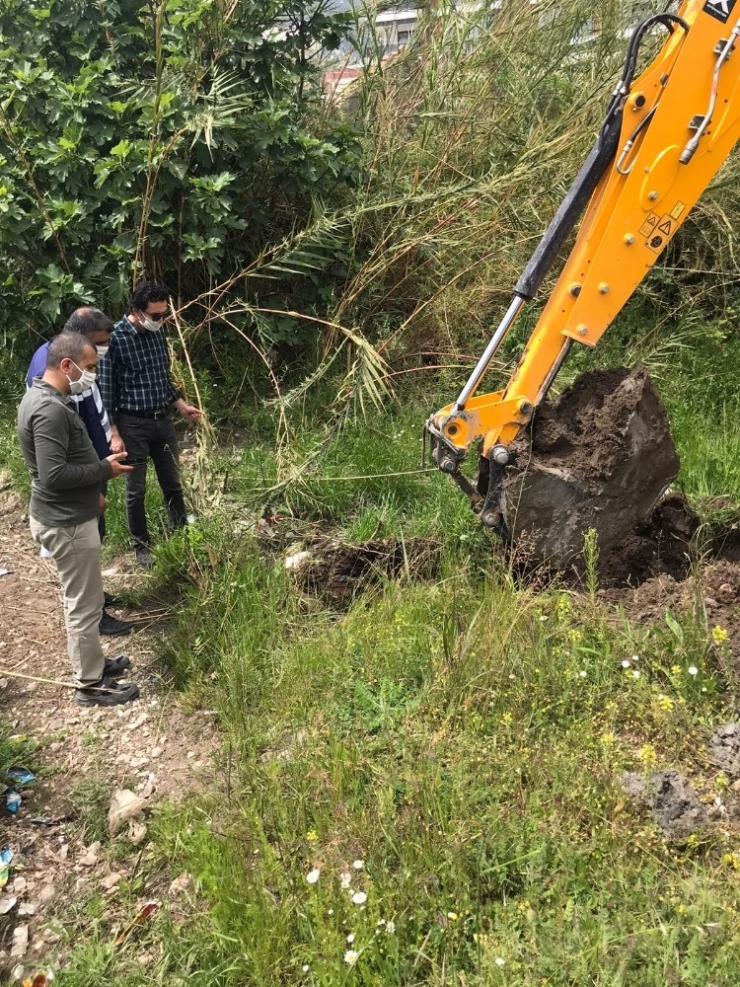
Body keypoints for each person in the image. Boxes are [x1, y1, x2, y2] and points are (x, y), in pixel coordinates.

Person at [17, 332, 140, 707]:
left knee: (84, 599)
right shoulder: (49, 409)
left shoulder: (50, 397)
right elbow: (54, 475)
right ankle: (90, 684)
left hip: (71, 516)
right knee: (84, 606)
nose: (92, 375)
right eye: (89, 368)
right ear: (66, 365)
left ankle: (95, 662)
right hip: (66, 523)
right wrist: (103, 469)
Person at [27, 308, 134, 636]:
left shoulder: (75, 364)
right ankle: (94, 614)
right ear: (79, 343)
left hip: (93, 468)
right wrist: (95, 490)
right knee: (85, 543)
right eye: (99, 345)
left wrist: (110, 435)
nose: (102, 352)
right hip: (82, 479)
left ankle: (96, 597)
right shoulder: (58, 372)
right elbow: (65, 449)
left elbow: (92, 409)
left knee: (93, 540)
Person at [99, 281, 203, 567]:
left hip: (163, 421)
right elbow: (107, 388)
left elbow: (161, 377)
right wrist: (114, 432)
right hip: (133, 424)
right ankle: (141, 546)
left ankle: (182, 534)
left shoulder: (158, 332)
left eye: (164, 314)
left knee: (172, 482)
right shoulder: (115, 339)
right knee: (136, 489)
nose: (162, 320)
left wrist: (180, 405)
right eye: (155, 315)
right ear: (136, 310)